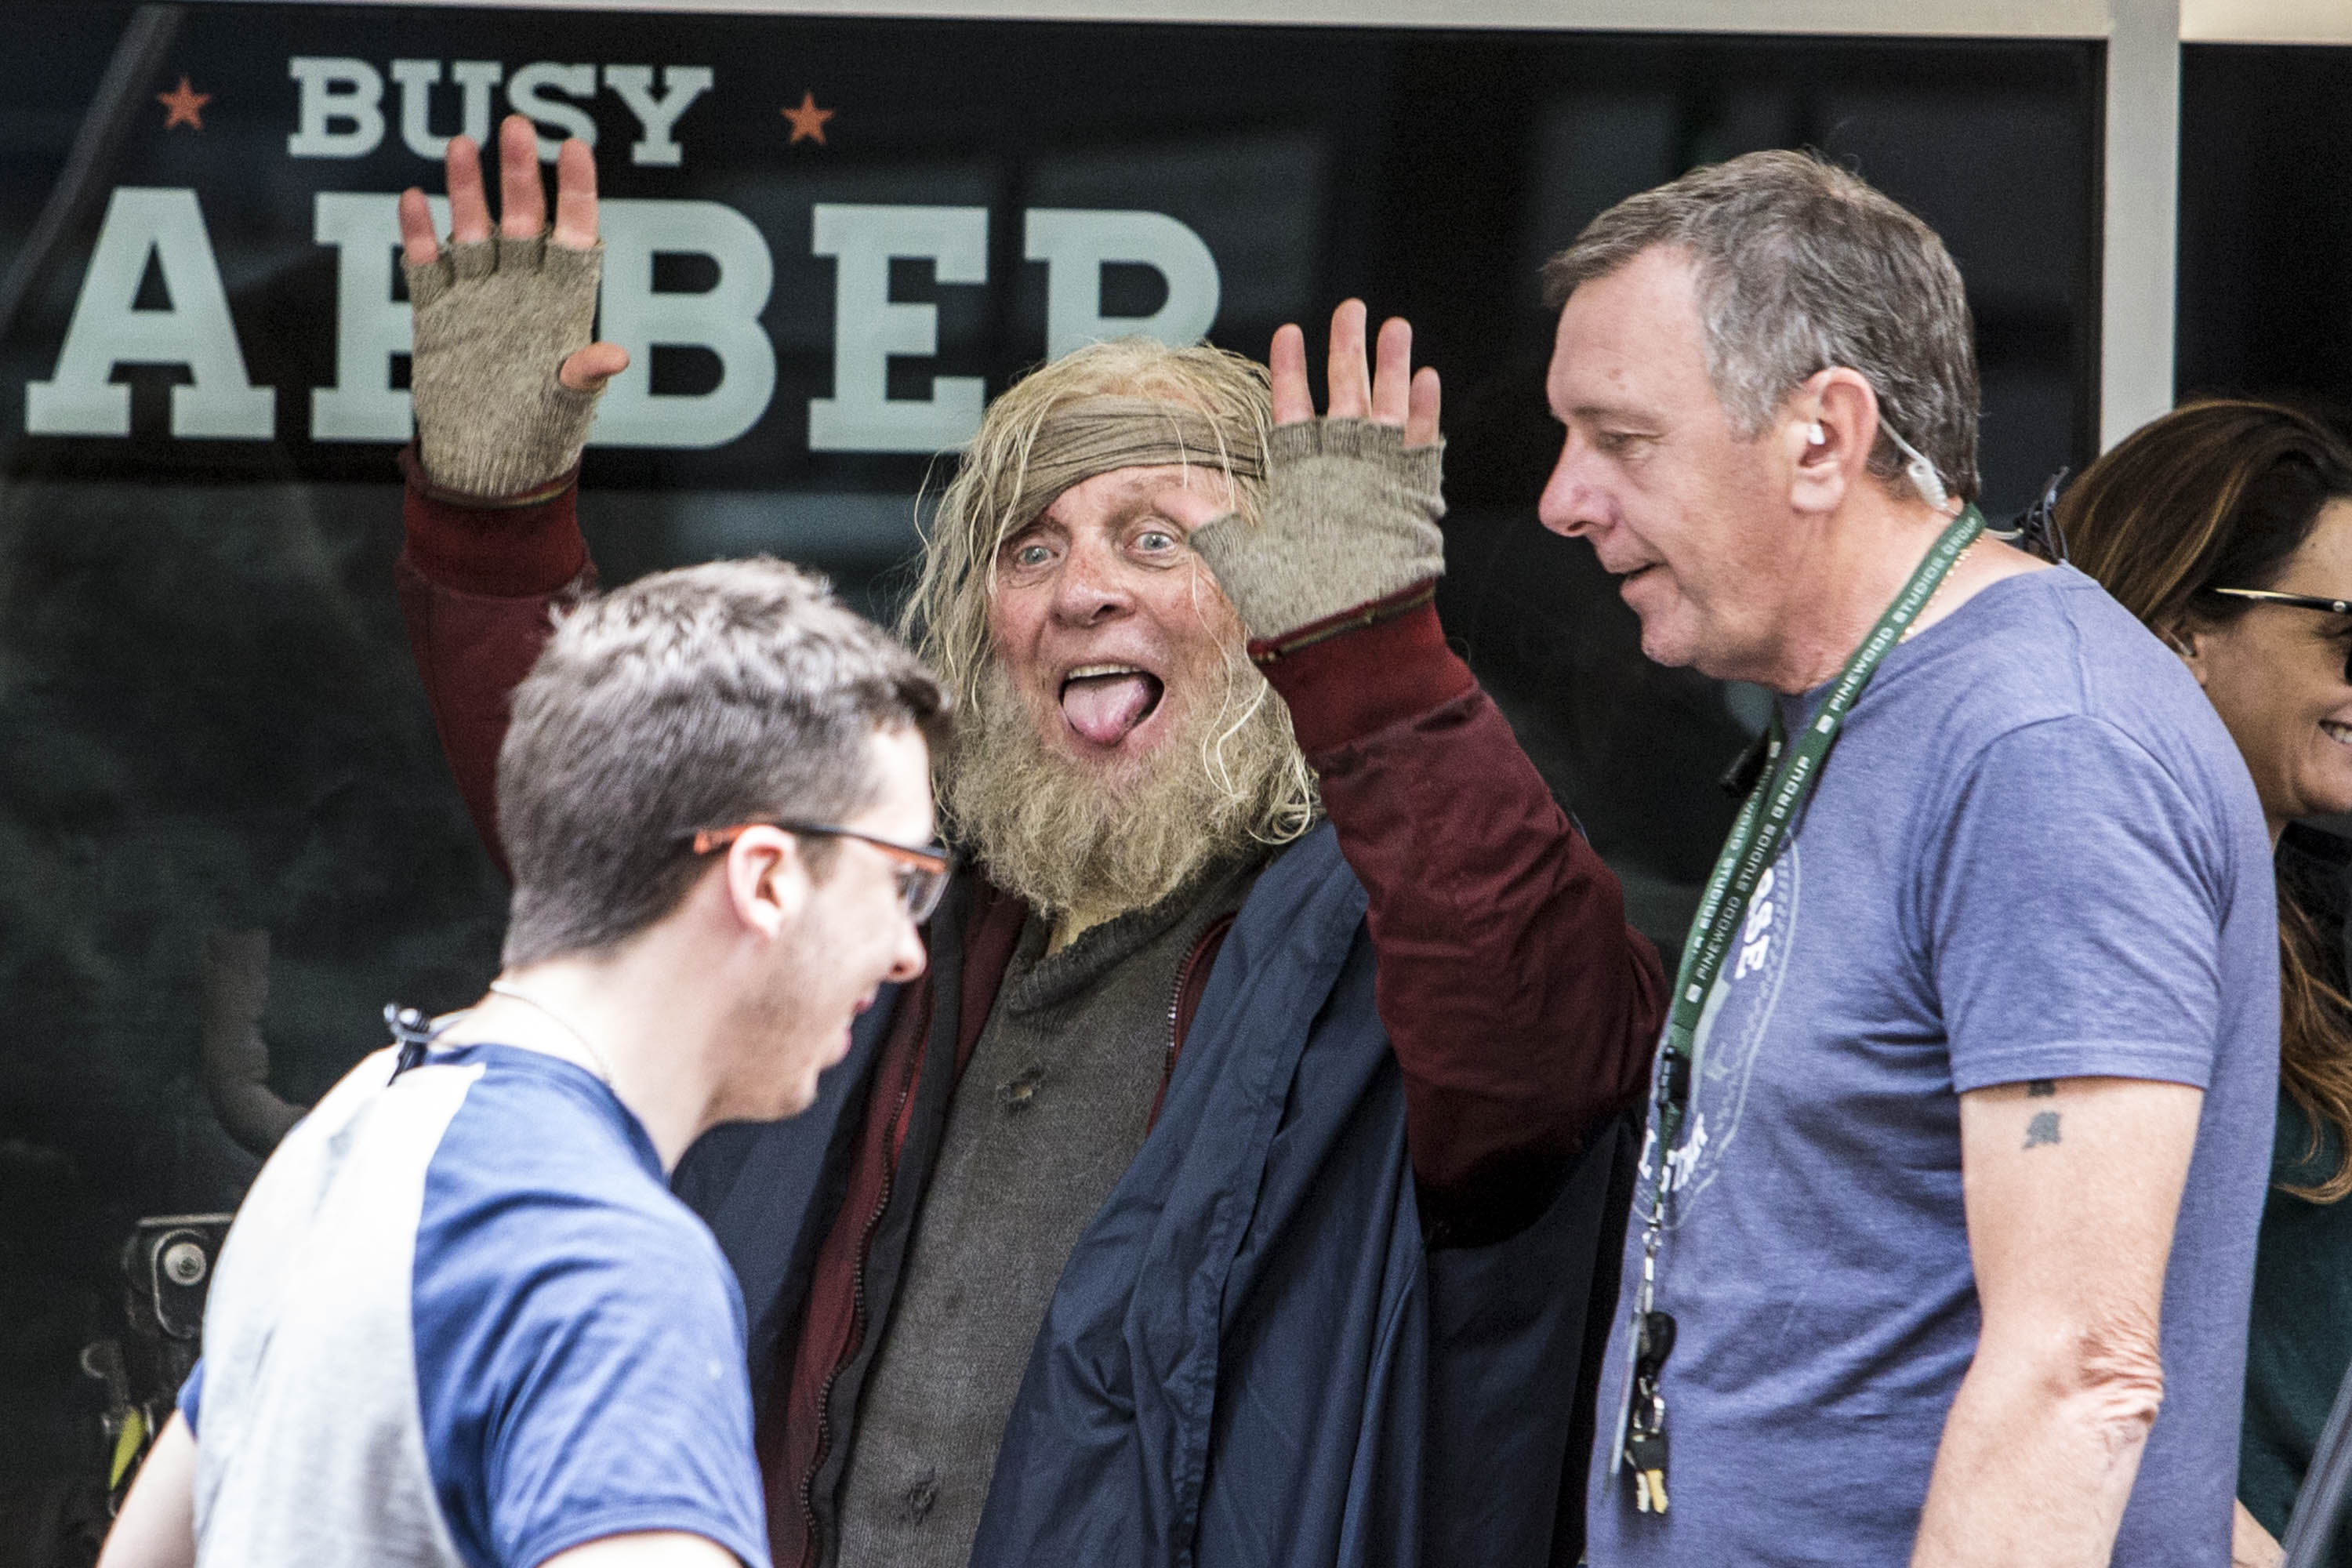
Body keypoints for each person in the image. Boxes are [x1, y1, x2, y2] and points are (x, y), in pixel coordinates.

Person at [390, 118, 1664, 1568]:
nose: (1083, 592)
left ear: (1292, 595)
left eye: (1160, 539)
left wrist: (1377, 660)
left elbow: (1548, 1041)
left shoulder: (1393, 935)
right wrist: (493, 532)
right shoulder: (886, 900)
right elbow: (612, 840)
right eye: (1032, 547)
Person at [1538, 150, 2278, 1565]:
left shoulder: (2041, 746)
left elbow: (2082, 1374)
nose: (1564, 500)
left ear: (1825, 436)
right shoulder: (1882, 707)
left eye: (1620, 440)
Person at [93, 558, 950, 1568]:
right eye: (899, 878)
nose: (909, 949)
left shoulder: (355, 1121)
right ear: (764, 877)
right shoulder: (605, 1264)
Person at [2055, 400, 2352, 1568]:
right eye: (2343, 634)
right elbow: (2074, 1340)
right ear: (2182, 629)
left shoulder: (2308, 916)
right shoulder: (2101, 919)